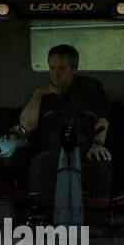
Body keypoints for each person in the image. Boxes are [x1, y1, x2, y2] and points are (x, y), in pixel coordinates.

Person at [19, 44, 112, 224]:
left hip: (86, 149)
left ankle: (97, 223)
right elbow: (26, 125)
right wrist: (38, 94)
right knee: (39, 164)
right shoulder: (41, 92)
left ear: (74, 69)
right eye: (51, 68)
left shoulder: (91, 88)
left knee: (102, 163)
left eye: (61, 68)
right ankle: (46, 219)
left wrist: (98, 144)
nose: (55, 74)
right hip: (52, 152)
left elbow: (103, 120)